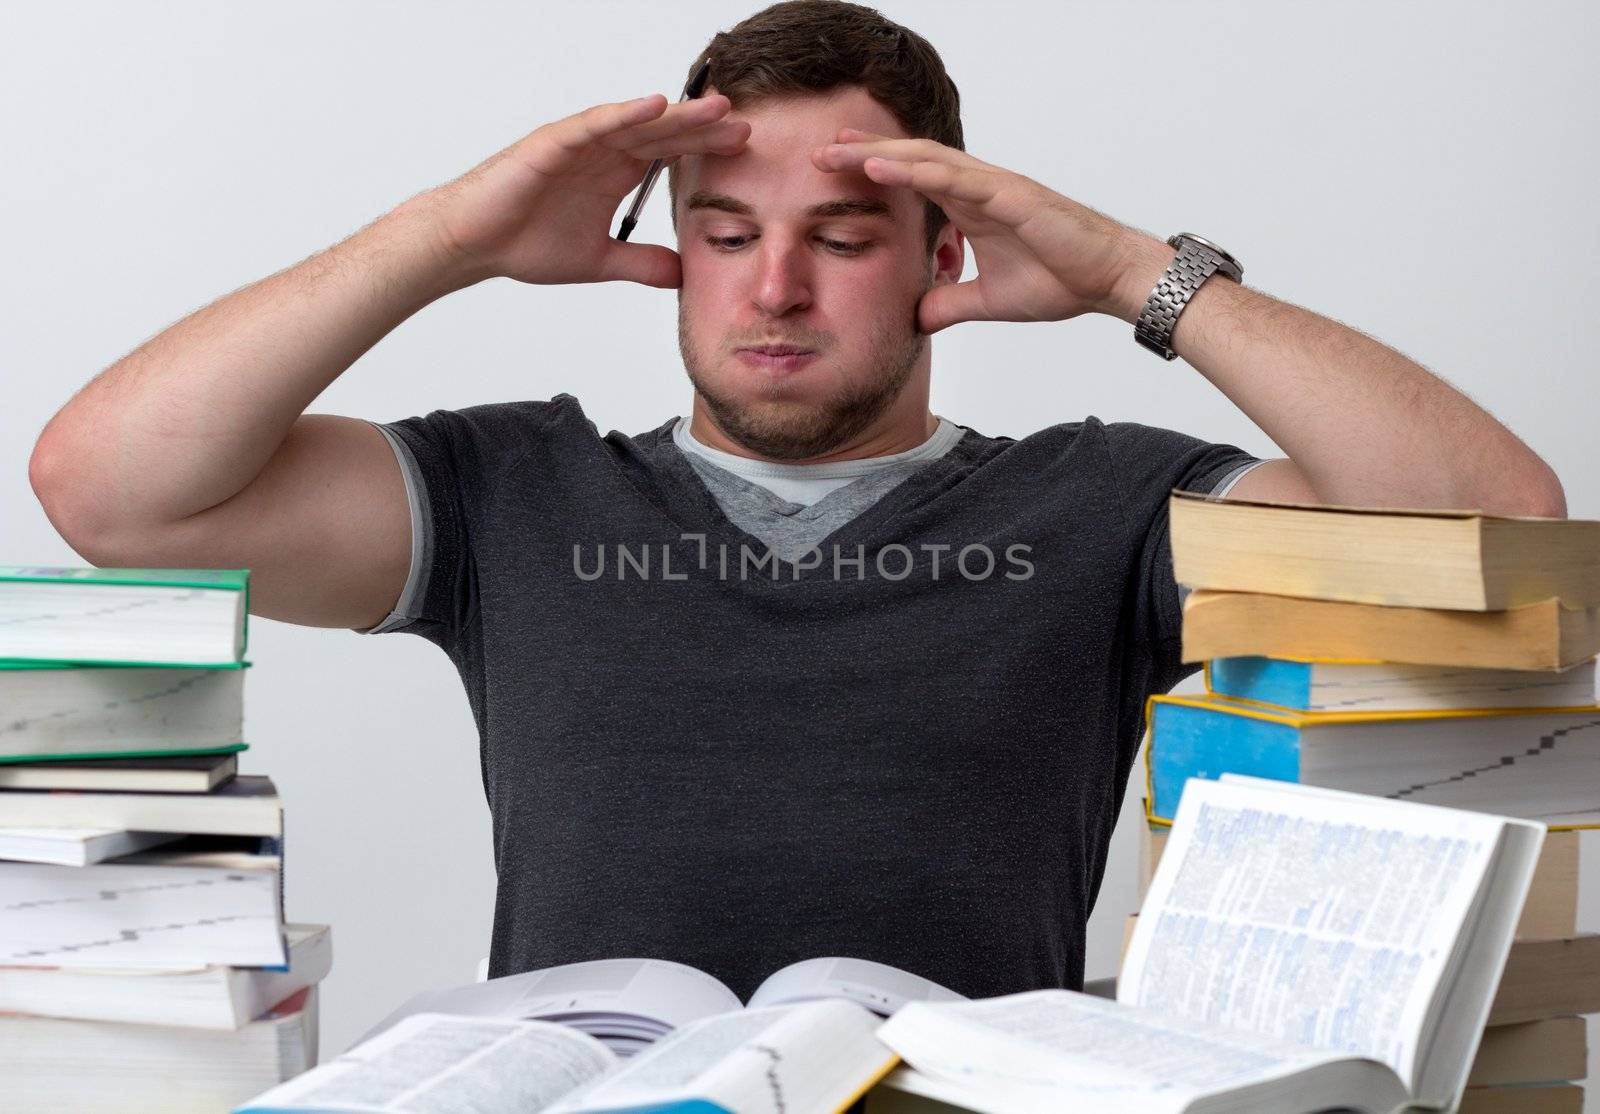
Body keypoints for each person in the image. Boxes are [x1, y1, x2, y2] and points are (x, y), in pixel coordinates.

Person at [28, 1, 1565, 1001]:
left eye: (840, 235)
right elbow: (111, 491)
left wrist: (1127, 277)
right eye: (724, 231)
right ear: (674, 245)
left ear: (941, 257)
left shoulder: (1103, 505)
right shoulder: (515, 491)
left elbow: (1493, 525)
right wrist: (453, 236)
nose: (772, 287)